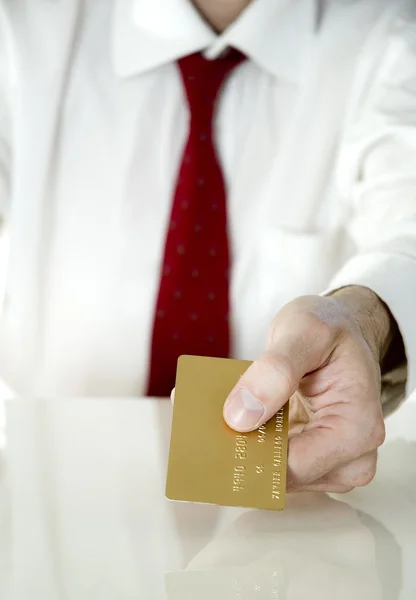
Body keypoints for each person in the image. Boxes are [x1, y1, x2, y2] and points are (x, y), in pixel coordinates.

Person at [0, 0, 415, 494]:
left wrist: (365, 319)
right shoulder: (19, 31)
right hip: (47, 504)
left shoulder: (393, 40)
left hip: (291, 527)